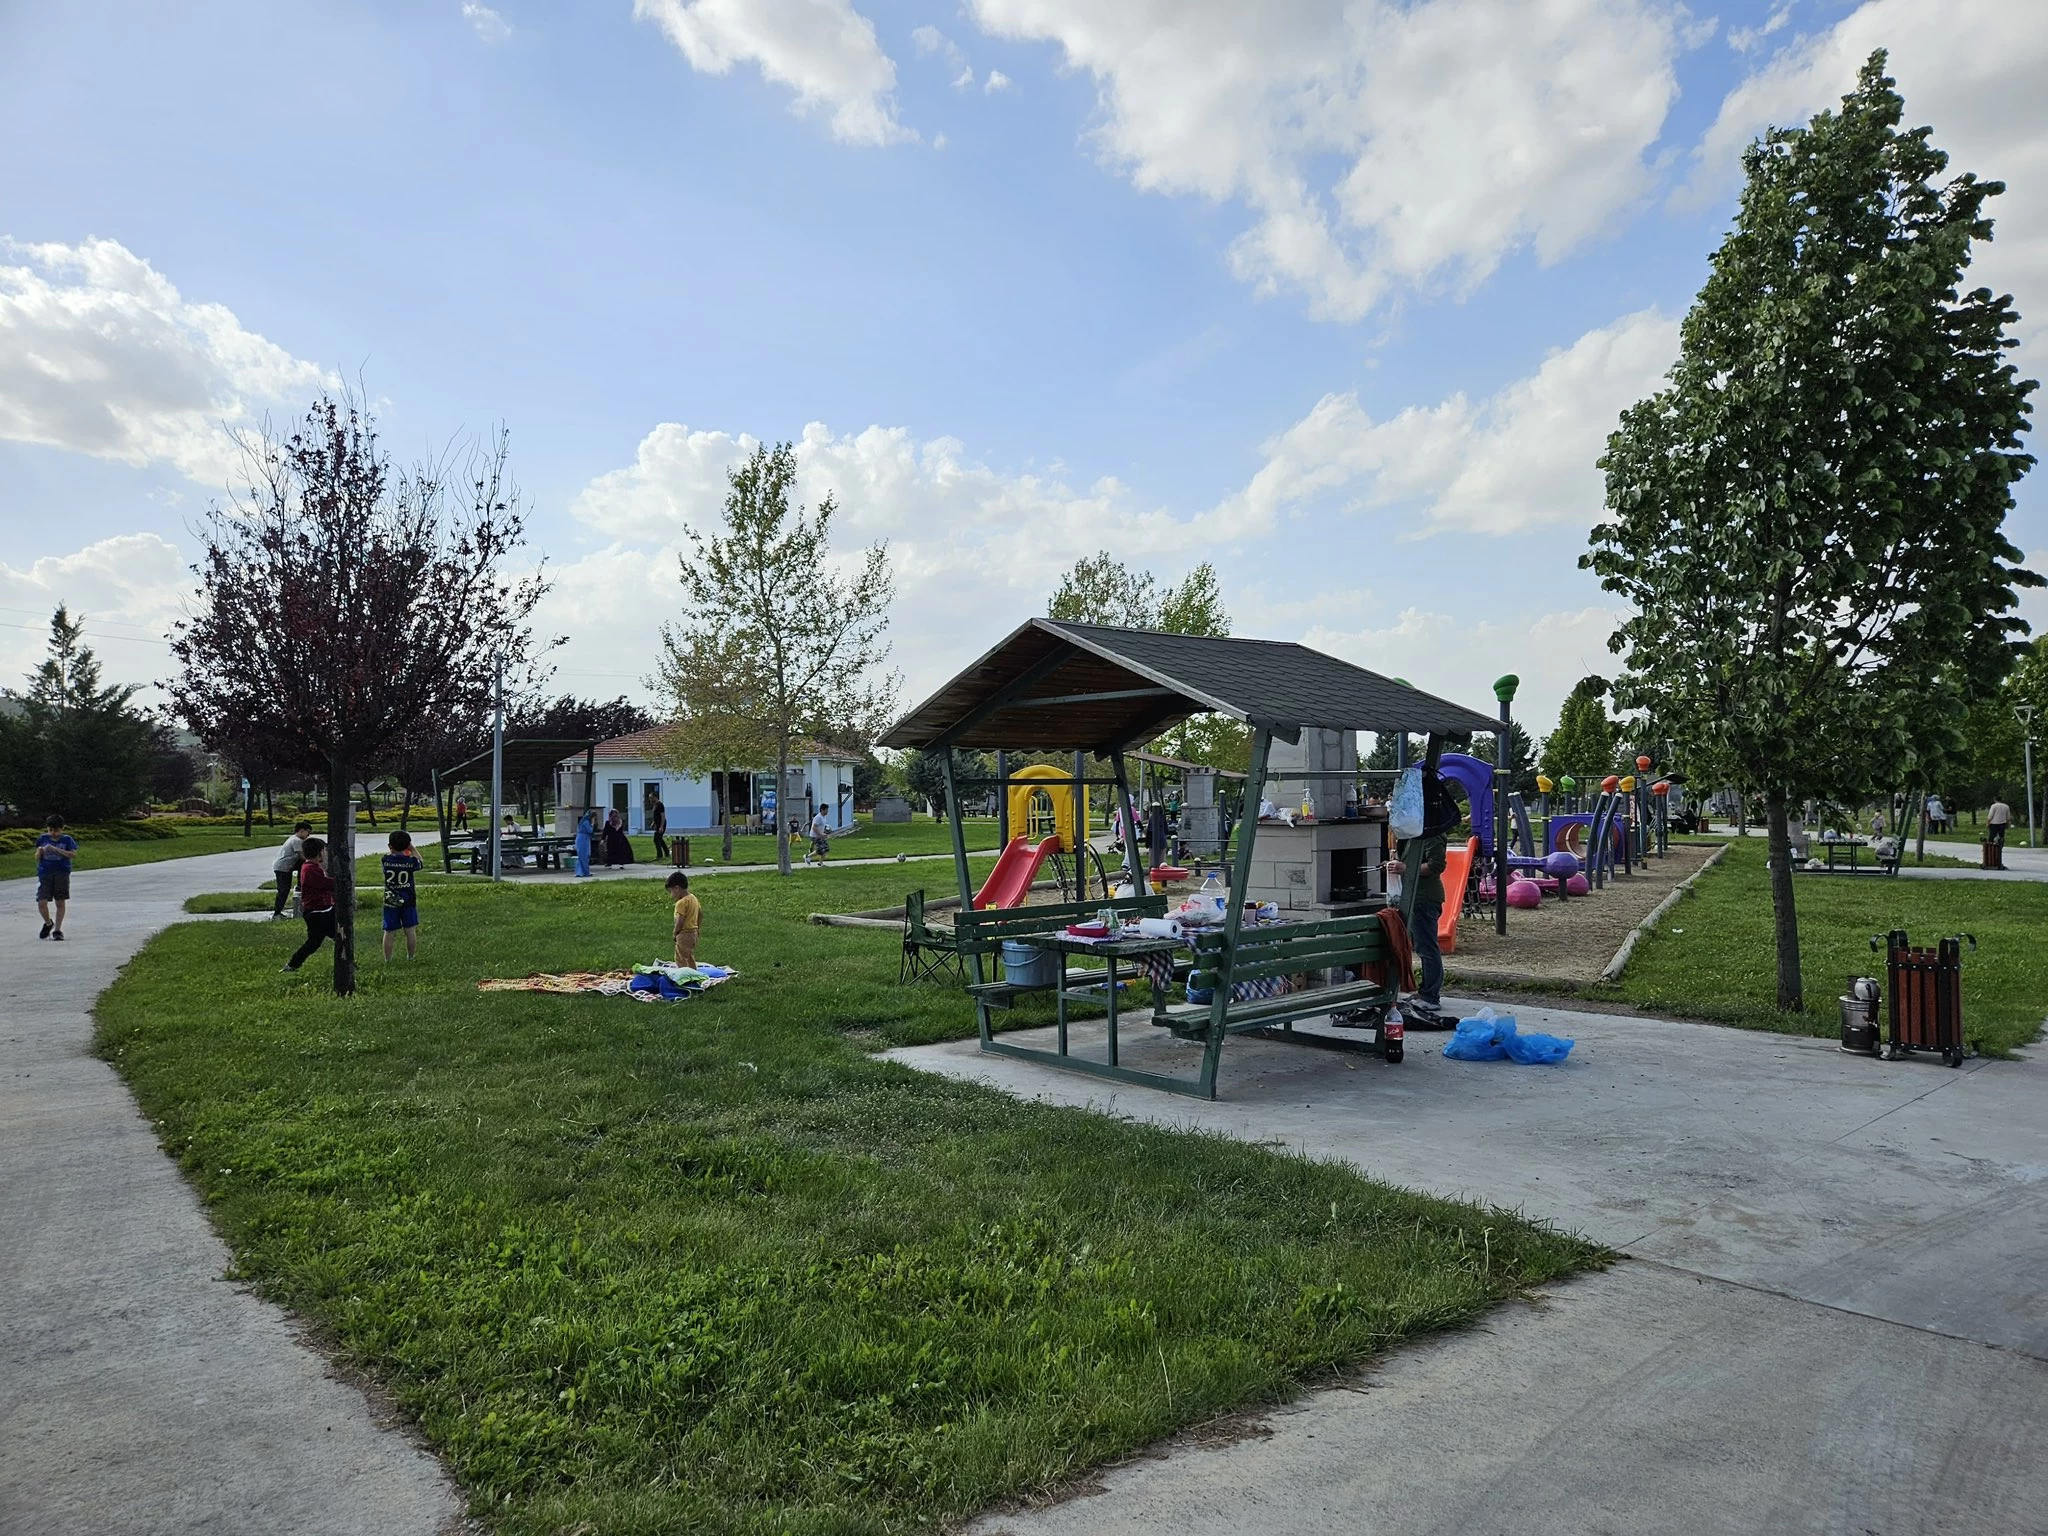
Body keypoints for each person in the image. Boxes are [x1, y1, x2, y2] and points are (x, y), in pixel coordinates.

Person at [1384, 749, 1458, 1029]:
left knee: (1428, 948)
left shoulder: (1434, 834)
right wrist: (1393, 864)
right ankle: (1425, 990)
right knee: (1420, 945)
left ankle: (1431, 994)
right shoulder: (1411, 833)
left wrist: (1407, 870)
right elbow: (1406, 861)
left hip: (1426, 897)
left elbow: (1436, 866)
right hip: (1411, 894)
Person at [283, 837, 338, 972]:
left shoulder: (310, 867)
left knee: (316, 942)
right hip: (318, 913)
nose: (326, 853)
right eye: (324, 851)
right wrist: (340, 881)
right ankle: (347, 964)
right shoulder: (311, 870)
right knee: (337, 937)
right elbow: (328, 884)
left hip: (321, 910)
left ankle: (293, 964)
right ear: (319, 853)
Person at [381, 829, 423, 960]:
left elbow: (391, 854)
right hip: (408, 899)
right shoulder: (410, 862)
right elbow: (420, 861)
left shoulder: (385, 860)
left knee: (389, 931)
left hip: (390, 900)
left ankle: (388, 959)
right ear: (407, 846)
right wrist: (412, 848)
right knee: (410, 930)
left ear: (390, 846)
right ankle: (410, 956)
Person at [35, 814, 78, 941]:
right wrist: (40, 852)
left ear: (62, 829)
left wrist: (55, 849)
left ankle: (58, 930)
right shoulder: (43, 838)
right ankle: (48, 923)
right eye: (50, 830)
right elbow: (37, 857)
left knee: (60, 901)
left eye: (56, 830)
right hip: (45, 873)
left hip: (61, 873)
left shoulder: (67, 840)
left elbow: (72, 855)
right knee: (42, 902)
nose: (53, 833)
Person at [272, 819, 313, 918]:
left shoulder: (294, 838)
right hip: (282, 868)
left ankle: (300, 884)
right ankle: (277, 913)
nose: (308, 835)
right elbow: (303, 857)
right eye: (308, 832)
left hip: (286, 867)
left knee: (302, 865)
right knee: (283, 890)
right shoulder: (297, 841)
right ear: (302, 830)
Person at [666, 870, 701, 967]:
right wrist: (698, 928)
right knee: (689, 955)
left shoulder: (681, 903)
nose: (671, 895)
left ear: (676, 888)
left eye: (671, 892)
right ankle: (693, 972)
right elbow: (700, 914)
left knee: (680, 957)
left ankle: (684, 976)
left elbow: (680, 920)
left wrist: (675, 932)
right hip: (693, 932)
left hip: (684, 933)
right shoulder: (693, 898)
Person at [1987, 795, 2012, 866]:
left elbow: (1991, 815)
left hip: (1994, 823)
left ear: (1995, 799)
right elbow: (2008, 816)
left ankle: (1989, 848)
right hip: (2002, 823)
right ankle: (2000, 846)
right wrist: (2008, 823)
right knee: (2001, 836)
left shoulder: (1993, 806)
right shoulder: (2006, 806)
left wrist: (1988, 822)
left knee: (1991, 836)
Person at [574, 809, 594, 878]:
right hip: (583, 839)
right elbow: (590, 830)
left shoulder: (582, 821)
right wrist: (592, 824)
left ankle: (583, 871)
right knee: (584, 856)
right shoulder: (586, 822)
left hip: (583, 839)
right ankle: (582, 872)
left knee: (582, 856)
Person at [651, 797, 669, 862]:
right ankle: (667, 853)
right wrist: (653, 822)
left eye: (651, 797)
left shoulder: (660, 805)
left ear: (655, 797)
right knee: (659, 839)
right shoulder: (655, 805)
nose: (650, 799)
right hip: (657, 824)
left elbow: (663, 816)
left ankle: (659, 855)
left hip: (661, 824)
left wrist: (661, 826)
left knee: (656, 839)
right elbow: (655, 815)